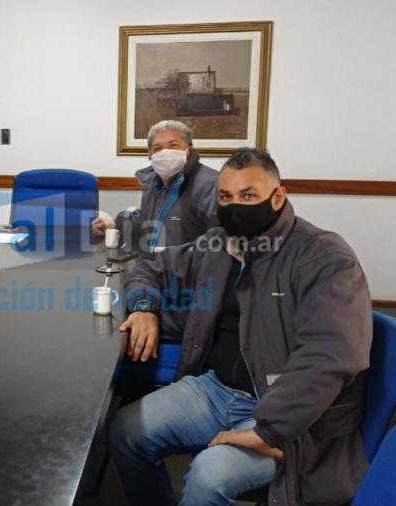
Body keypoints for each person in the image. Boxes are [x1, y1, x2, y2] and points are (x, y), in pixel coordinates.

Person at [109, 148, 372, 506]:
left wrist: (270, 429)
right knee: (125, 433)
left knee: (209, 474)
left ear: (277, 197)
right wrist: (144, 309)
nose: (235, 206)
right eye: (225, 197)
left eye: (248, 196)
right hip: (217, 389)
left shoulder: (324, 257)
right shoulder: (219, 243)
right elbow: (153, 268)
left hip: (289, 408)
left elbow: (329, 355)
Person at [91, 120, 218, 252]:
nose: (165, 152)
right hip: (153, 262)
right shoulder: (152, 183)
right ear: (150, 155)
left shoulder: (211, 185)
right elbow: (148, 221)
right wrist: (116, 224)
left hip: (188, 264)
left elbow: (218, 241)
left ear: (189, 150)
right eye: (157, 148)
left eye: (173, 146)